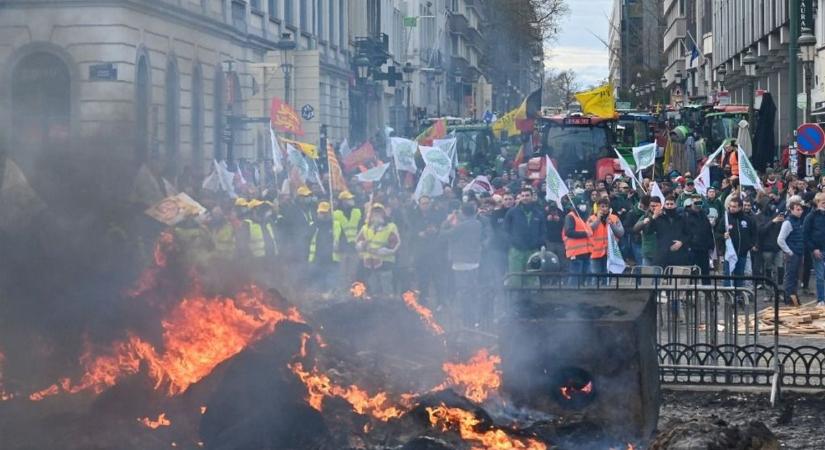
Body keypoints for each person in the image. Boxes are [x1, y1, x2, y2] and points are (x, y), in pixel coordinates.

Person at [441, 202, 484, 327]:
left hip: (461, 263)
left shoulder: (462, 226)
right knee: (472, 290)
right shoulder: (478, 224)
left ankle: (467, 319)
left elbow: (444, 234)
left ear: (463, 212)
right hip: (474, 261)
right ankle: (474, 318)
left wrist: (448, 221)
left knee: (464, 292)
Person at [356, 203, 401, 296]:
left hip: (385, 263)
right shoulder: (365, 228)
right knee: (373, 290)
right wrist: (363, 245)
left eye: (379, 212)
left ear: (383, 214)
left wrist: (380, 251)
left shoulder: (390, 227)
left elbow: (395, 243)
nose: (376, 215)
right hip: (369, 264)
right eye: (374, 213)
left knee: (386, 289)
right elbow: (358, 243)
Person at [504, 187, 546, 285]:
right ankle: (515, 300)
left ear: (532, 197)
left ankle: (531, 300)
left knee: (531, 279)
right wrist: (512, 243)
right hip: (516, 251)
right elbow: (505, 230)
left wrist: (539, 243)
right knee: (515, 279)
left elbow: (543, 231)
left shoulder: (538, 213)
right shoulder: (512, 212)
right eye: (522, 196)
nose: (525, 198)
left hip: (533, 251)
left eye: (527, 195)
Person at [642, 195, 691, 268]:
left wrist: (681, 242)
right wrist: (653, 217)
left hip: (679, 255)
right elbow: (648, 231)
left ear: (675, 205)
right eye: (667, 204)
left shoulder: (682, 218)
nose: (669, 206)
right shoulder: (659, 219)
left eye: (671, 204)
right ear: (664, 205)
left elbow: (689, 234)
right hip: (663, 255)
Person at [718, 197, 756, 287]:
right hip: (729, 253)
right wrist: (723, 236)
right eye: (730, 206)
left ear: (740, 207)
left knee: (739, 276)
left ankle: (738, 296)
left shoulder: (747, 219)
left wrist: (750, 245)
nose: (732, 208)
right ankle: (728, 296)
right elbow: (717, 233)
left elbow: (753, 233)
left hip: (742, 253)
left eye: (734, 206)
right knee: (728, 275)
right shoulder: (725, 218)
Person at [587, 197, 624, 279]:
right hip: (595, 252)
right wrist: (598, 219)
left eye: (606, 206)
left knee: (607, 277)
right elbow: (589, 230)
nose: (604, 209)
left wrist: (612, 224)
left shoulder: (614, 218)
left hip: (609, 253)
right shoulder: (591, 218)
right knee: (595, 278)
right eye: (602, 206)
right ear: (598, 207)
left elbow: (621, 233)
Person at [332, 191, 362, 287]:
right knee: (342, 272)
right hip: (342, 247)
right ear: (343, 201)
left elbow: (362, 227)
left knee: (353, 273)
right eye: (348, 199)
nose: (351, 200)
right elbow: (336, 230)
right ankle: (342, 291)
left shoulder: (357, 211)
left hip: (355, 247)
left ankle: (352, 291)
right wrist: (336, 242)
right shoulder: (336, 214)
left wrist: (360, 242)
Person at [778, 200, 805, 306]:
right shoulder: (788, 222)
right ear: (791, 210)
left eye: (801, 209)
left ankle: (794, 298)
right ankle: (789, 299)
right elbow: (780, 239)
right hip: (792, 254)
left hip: (798, 253)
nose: (800, 212)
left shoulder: (797, 221)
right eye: (797, 209)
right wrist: (789, 252)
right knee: (790, 278)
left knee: (795, 278)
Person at [683, 197, 714, 282]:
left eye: (700, 203)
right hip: (692, 248)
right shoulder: (685, 215)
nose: (698, 205)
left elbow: (708, 230)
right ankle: (689, 292)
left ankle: (707, 292)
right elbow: (684, 232)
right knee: (691, 273)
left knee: (705, 273)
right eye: (696, 203)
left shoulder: (703, 215)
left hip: (703, 248)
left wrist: (711, 245)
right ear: (691, 203)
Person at [563, 199, 593, 285]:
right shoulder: (570, 216)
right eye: (580, 204)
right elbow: (568, 232)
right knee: (575, 276)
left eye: (584, 204)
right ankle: (572, 295)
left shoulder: (584, 217)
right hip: (575, 252)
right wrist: (584, 234)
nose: (583, 206)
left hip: (586, 252)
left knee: (583, 277)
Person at [803, 192, 825, 307]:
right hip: (818, 250)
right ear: (817, 203)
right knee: (820, 276)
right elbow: (805, 235)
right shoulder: (810, 217)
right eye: (823, 202)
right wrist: (814, 249)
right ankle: (821, 299)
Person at [309, 201, 336, 293]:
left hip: (330, 257)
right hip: (316, 257)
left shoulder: (333, 225)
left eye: (325, 213)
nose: (322, 215)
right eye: (321, 213)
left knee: (330, 278)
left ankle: (329, 294)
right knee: (317, 279)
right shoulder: (313, 225)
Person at [633, 196, 660, 267]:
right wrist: (649, 220)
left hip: (660, 251)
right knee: (646, 275)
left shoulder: (664, 216)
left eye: (656, 206)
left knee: (658, 275)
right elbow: (635, 228)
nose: (654, 208)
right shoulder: (645, 216)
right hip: (647, 250)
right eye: (652, 206)